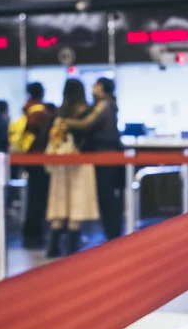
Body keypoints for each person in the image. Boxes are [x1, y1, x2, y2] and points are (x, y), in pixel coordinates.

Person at [62, 77, 124, 240]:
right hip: (107, 155)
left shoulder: (104, 105)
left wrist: (64, 122)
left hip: (104, 156)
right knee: (107, 195)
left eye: (96, 86)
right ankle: (112, 233)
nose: (93, 88)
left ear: (102, 88)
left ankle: (112, 234)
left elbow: (87, 124)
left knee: (106, 195)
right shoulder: (109, 104)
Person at [46, 79, 100, 257]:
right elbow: (90, 134)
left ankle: (53, 246)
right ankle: (71, 249)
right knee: (77, 202)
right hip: (80, 161)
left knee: (59, 201)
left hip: (60, 163)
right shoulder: (86, 111)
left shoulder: (59, 113)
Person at [22, 82, 51, 249]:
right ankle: (34, 233)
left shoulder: (28, 109)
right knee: (38, 199)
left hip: (29, 158)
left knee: (34, 197)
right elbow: (38, 135)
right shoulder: (40, 111)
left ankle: (31, 232)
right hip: (39, 159)